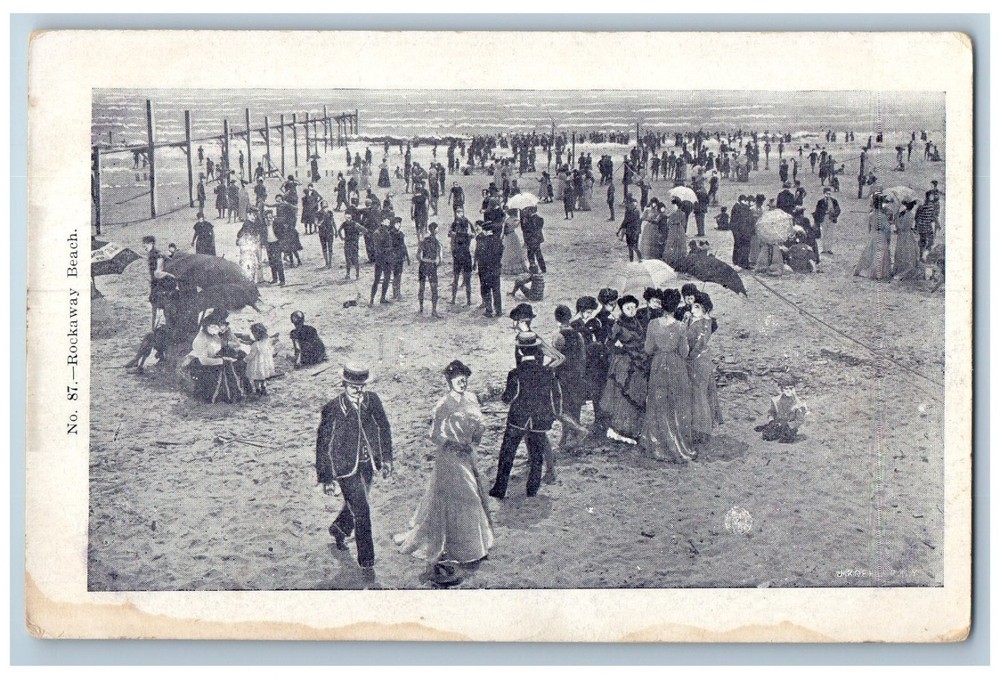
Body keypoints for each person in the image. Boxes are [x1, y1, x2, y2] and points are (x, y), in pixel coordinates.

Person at [394, 360, 493, 577]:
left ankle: (473, 546)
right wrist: (453, 444)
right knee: (467, 496)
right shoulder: (443, 405)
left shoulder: (472, 398)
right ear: (449, 382)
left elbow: (481, 424)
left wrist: (474, 441)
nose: (462, 384)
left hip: (467, 454)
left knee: (473, 495)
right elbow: (434, 435)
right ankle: (462, 548)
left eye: (464, 380)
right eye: (458, 381)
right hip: (449, 458)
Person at [316, 364, 393, 581]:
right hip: (345, 469)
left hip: (368, 465)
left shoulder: (372, 400)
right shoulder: (332, 408)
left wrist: (386, 459)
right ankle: (367, 562)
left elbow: (384, 427)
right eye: (353, 387)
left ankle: (339, 529)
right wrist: (327, 478)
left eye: (362, 387)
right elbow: (323, 444)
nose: (358, 391)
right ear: (344, 385)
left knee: (358, 505)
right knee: (362, 511)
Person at [488, 331, 563, 499]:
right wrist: (553, 415)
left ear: (520, 351)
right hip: (539, 421)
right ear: (537, 350)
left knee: (507, 453)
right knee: (537, 456)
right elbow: (556, 396)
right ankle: (532, 490)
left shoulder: (515, 373)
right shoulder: (548, 372)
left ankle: (500, 488)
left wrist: (502, 397)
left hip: (518, 419)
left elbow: (508, 398)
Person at [640, 288, 696, 462]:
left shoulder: (652, 324)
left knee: (657, 403)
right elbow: (684, 352)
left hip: (658, 365)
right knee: (675, 404)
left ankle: (657, 443)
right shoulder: (680, 326)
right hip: (675, 366)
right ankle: (676, 442)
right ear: (676, 306)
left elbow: (648, 349)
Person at [598, 295, 648, 443]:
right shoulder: (618, 325)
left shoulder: (637, 322)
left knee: (637, 393)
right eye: (628, 308)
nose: (632, 310)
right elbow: (608, 344)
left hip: (639, 361)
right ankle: (620, 430)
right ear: (622, 309)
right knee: (625, 395)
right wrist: (619, 348)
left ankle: (633, 428)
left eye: (634, 307)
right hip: (624, 364)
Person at [181, 313, 248, 404]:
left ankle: (234, 395)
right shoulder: (200, 340)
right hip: (199, 364)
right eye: (212, 326)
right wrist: (222, 360)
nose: (215, 329)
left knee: (233, 362)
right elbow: (204, 360)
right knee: (226, 364)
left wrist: (233, 347)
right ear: (206, 326)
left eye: (216, 326)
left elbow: (222, 345)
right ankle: (223, 396)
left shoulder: (214, 335)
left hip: (212, 359)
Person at [686, 291, 720, 445]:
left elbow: (698, 345)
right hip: (698, 362)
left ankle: (702, 431)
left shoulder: (705, 324)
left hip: (698, 363)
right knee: (697, 395)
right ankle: (697, 428)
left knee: (699, 396)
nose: (693, 310)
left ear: (705, 308)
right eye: (693, 306)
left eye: (697, 307)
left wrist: (688, 357)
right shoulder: (699, 320)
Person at [754, 374, 808, 443]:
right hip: (778, 425)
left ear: (794, 389)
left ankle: (768, 428)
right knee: (766, 436)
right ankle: (766, 427)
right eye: (786, 388)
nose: (788, 391)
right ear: (782, 389)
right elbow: (771, 412)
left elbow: (800, 420)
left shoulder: (798, 403)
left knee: (786, 439)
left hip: (789, 426)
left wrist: (789, 425)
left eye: (791, 388)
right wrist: (771, 421)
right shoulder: (775, 400)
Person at [853, 193, 893, 281]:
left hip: (874, 234)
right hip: (881, 234)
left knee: (871, 251)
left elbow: (869, 227)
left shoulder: (871, 215)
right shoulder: (883, 216)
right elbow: (887, 229)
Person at [143, 235, 176, 332]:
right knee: (159, 307)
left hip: (160, 285)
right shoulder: (153, 254)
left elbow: (158, 272)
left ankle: (155, 329)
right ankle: (157, 328)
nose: (144, 246)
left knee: (158, 308)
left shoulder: (156, 255)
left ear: (151, 243)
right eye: (144, 244)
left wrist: (168, 274)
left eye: (146, 244)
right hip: (157, 284)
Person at [475, 222, 504, 318]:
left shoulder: (482, 240)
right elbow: (501, 252)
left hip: (485, 269)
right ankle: (499, 311)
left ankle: (489, 310)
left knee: (486, 290)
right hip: (495, 268)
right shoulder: (498, 240)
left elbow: (479, 254)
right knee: (496, 290)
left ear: (485, 230)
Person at [449, 208, 474, 306]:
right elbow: (473, 234)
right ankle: (469, 300)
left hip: (457, 256)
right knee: (468, 281)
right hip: (466, 256)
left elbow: (450, 235)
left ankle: (453, 299)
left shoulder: (456, 235)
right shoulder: (468, 235)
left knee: (455, 279)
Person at [418, 222, 443, 317]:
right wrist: (435, 263)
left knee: (421, 287)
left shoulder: (423, 241)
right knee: (434, 289)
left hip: (423, 265)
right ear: (435, 230)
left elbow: (418, 255)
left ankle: (421, 308)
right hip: (431, 266)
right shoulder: (437, 242)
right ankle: (434, 310)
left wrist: (423, 261)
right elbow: (440, 260)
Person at [892, 199, 921, 279]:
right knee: (907, 252)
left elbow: (901, 227)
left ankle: (904, 270)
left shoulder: (907, 215)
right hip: (907, 234)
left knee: (903, 252)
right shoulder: (909, 214)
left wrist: (897, 220)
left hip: (904, 235)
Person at [245, 322, 275, 397]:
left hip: (257, 365)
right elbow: (271, 350)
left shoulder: (256, 345)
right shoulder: (266, 342)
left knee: (256, 378)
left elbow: (252, 355)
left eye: (254, 333)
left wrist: (245, 360)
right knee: (263, 377)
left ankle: (258, 390)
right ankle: (264, 389)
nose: (253, 335)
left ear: (258, 334)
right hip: (265, 364)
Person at [369, 218, 394, 305]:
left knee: (387, 279)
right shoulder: (377, 233)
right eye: (386, 222)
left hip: (387, 259)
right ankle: (372, 299)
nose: (387, 224)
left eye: (388, 222)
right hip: (380, 259)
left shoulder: (388, 232)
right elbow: (378, 249)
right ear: (382, 222)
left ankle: (382, 298)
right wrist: (390, 249)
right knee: (377, 279)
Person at [812, 187, 841, 255]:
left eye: (829, 194)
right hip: (824, 218)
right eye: (827, 193)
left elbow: (838, 210)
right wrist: (823, 212)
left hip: (831, 218)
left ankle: (829, 249)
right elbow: (817, 211)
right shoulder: (820, 202)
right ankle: (824, 249)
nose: (828, 195)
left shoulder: (834, 201)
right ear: (824, 193)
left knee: (830, 234)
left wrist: (834, 215)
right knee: (824, 234)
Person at [338, 208, 365, 280]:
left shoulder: (352, 224)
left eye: (348, 217)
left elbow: (364, 230)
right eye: (346, 217)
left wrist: (342, 238)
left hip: (351, 243)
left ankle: (355, 274)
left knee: (352, 259)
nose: (347, 218)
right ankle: (352, 274)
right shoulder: (350, 224)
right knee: (350, 259)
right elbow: (364, 230)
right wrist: (359, 235)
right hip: (350, 243)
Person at [500, 208, 529, 275]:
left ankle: (508, 268)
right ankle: (517, 268)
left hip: (507, 236)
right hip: (512, 235)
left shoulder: (507, 219)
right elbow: (516, 225)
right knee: (515, 251)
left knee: (508, 251)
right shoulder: (515, 220)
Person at [389, 217, 411, 301]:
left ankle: (396, 293)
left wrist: (407, 256)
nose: (399, 225)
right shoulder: (392, 234)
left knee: (397, 275)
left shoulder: (399, 233)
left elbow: (403, 246)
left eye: (399, 223)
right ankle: (397, 294)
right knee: (397, 275)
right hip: (395, 257)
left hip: (399, 257)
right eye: (397, 223)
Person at [915, 191, 940, 260]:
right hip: (927, 227)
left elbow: (916, 217)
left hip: (922, 227)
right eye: (932, 195)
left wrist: (917, 225)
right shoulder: (931, 206)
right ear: (929, 196)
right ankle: (924, 255)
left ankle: (921, 256)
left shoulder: (922, 206)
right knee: (930, 242)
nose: (933, 197)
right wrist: (937, 224)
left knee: (923, 242)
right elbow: (933, 217)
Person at [520, 207, 546, 273]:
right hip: (536, 239)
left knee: (531, 254)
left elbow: (527, 229)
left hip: (531, 239)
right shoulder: (539, 218)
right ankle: (542, 268)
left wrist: (525, 223)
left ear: (530, 211)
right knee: (537, 253)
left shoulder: (530, 219)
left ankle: (533, 267)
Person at [618, 198, 643, 262]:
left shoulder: (636, 212)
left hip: (634, 231)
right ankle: (631, 261)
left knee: (634, 246)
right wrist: (619, 230)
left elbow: (630, 220)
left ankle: (641, 259)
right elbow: (624, 221)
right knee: (630, 247)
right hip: (629, 231)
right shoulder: (627, 212)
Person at [317, 201, 336, 269]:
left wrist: (336, 230)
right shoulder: (318, 213)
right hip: (322, 232)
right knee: (324, 248)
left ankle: (330, 262)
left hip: (329, 231)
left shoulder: (330, 212)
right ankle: (327, 262)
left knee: (330, 247)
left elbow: (333, 221)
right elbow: (316, 222)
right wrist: (319, 223)